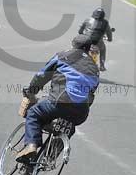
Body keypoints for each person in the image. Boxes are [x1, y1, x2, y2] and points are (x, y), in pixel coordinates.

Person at [15, 34, 100, 163]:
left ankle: (32, 146)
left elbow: (42, 76)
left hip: (60, 101)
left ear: (73, 45)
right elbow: (91, 95)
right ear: (88, 49)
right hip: (81, 112)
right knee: (68, 129)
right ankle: (46, 161)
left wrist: (30, 92)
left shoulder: (63, 55)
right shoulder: (95, 69)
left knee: (34, 113)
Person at [78, 7, 114, 71]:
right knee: (103, 49)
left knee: (78, 47)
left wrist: (81, 33)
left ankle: (74, 61)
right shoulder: (105, 23)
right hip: (98, 43)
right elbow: (109, 32)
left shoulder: (88, 20)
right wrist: (110, 39)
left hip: (86, 40)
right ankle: (102, 65)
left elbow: (80, 29)